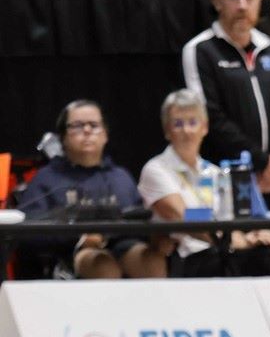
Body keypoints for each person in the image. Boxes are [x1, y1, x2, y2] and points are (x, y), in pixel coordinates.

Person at [138, 89, 270, 277]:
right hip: (189, 257)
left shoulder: (215, 172)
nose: (186, 130)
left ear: (204, 127)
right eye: (178, 123)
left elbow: (231, 217)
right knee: (260, 257)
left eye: (192, 122)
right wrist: (238, 240)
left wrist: (255, 234)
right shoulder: (156, 168)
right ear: (167, 130)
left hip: (224, 250)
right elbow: (183, 215)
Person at [182, 0, 270, 195]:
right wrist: (262, 161)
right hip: (224, 176)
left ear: (259, 1)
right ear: (217, 2)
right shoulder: (200, 50)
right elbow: (209, 116)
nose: (242, 5)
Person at [18, 100, 168, 280]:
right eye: (77, 126)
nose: (87, 131)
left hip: (122, 245)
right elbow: (26, 231)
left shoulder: (120, 176)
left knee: (152, 262)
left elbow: (139, 220)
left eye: (94, 125)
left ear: (105, 134)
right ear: (63, 136)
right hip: (70, 252)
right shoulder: (47, 178)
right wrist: (78, 238)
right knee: (101, 264)